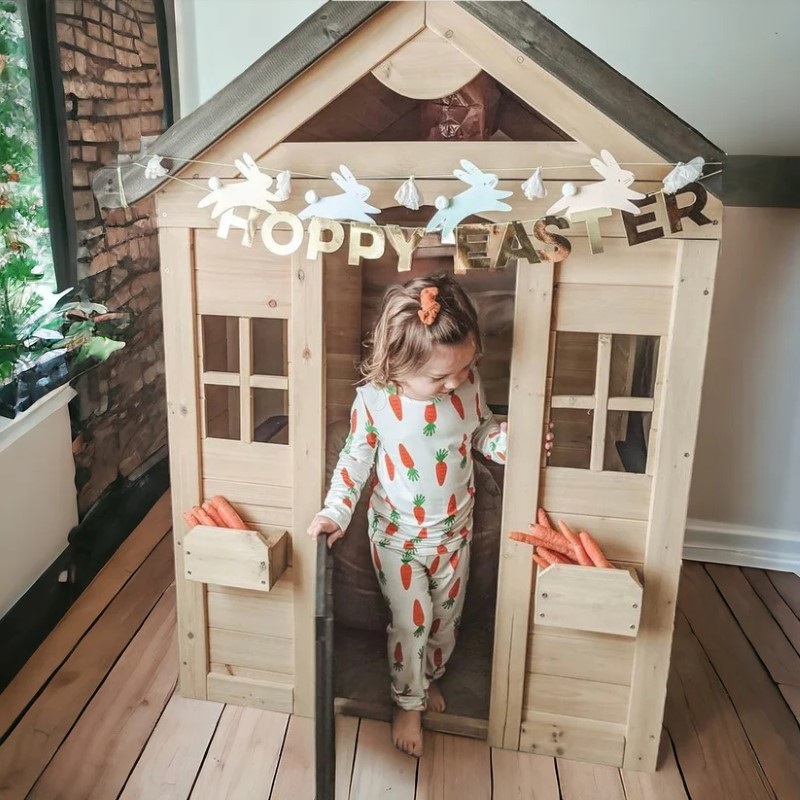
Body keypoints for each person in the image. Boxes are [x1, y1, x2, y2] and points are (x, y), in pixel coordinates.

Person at [307, 273, 546, 757]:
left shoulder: (466, 385)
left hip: (455, 534)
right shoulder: (375, 399)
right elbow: (355, 459)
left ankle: (427, 676)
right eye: (439, 377)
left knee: (444, 623)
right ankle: (407, 703)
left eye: (465, 366)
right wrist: (335, 512)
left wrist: (514, 443)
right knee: (410, 622)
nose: (454, 381)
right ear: (397, 363)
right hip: (397, 538)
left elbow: (481, 433)